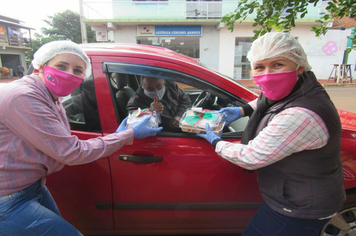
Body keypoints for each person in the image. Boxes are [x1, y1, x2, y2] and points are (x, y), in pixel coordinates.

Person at [0, 40, 162, 236]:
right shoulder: (24, 97)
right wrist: (128, 135)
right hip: (8, 199)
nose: (69, 74)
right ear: (41, 66)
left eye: (78, 70)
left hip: (30, 187)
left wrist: (119, 135)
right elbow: (71, 152)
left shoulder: (49, 95)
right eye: (61, 66)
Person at [198, 32, 345, 236]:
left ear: (299, 66)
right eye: (259, 67)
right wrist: (243, 110)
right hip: (299, 198)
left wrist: (215, 141)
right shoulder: (302, 87)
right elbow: (270, 98)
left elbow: (250, 157)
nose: (268, 74)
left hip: (298, 210)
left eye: (278, 64)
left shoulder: (300, 115)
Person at [127, 76, 191, 132]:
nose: (155, 91)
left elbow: (185, 99)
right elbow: (136, 125)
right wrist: (151, 112)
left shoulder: (171, 86)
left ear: (164, 83)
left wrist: (179, 116)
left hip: (184, 124)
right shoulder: (135, 102)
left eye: (159, 86)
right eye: (150, 88)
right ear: (142, 87)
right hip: (166, 134)